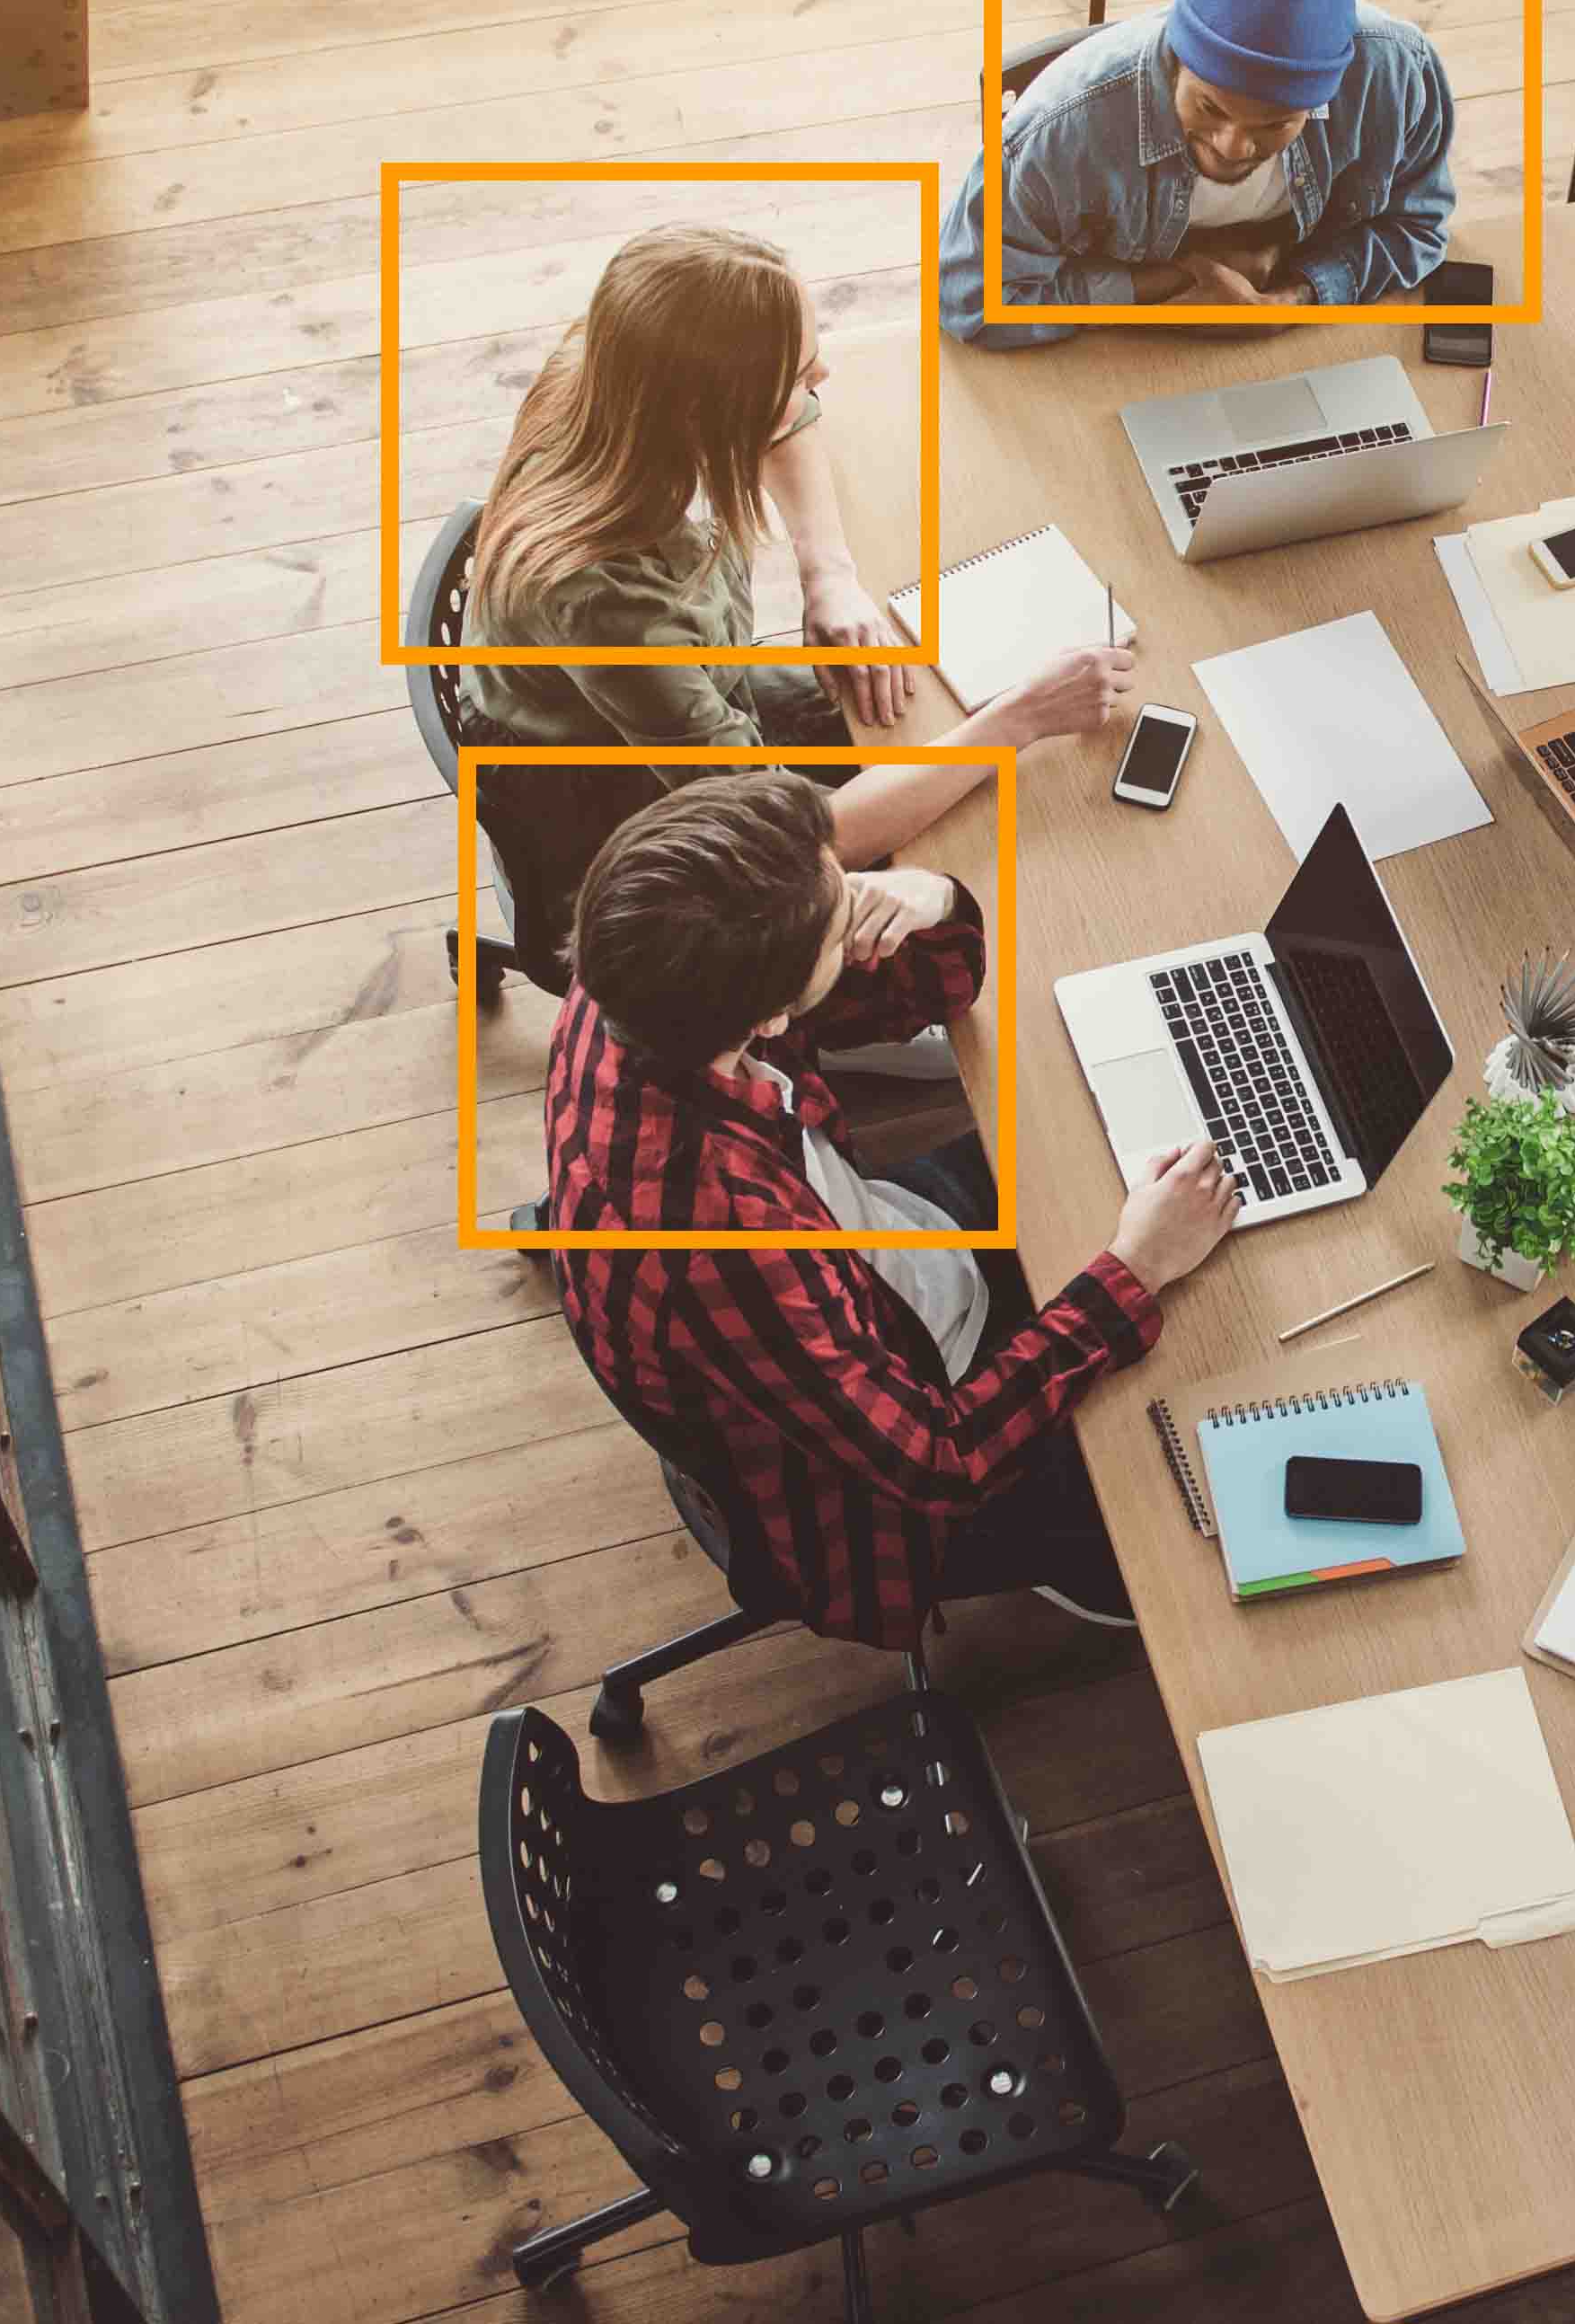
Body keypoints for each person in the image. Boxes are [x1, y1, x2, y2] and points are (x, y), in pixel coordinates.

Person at [541, 773, 1243, 1644]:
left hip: (881, 1256)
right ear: (764, 1015)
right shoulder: (716, 1234)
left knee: (1122, 1155)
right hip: (901, 1451)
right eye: (842, 921)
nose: (854, 892)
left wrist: (928, 895)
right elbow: (939, 1461)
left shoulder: (645, 976)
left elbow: (933, 988)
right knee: (1196, 1465)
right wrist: (1131, 1271)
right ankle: (1070, 1559)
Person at [456, 223, 1137, 976]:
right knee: (967, 841)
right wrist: (1024, 719)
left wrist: (829, 574)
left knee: (914, 712)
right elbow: (796, 843)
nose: (824, 379)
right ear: (710, 413)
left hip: (694, 697)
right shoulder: (612, 607)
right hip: (605, 792)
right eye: (799, 376)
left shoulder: (617, 373)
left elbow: (791, 427)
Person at [938, 0, 1456, 349]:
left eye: (1275, 125)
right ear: (1176, 58)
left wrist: (1289, 303)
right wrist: (1171, 284)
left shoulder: (1398, 75)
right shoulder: (1059, 134)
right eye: (1209, 107)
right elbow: (972, 299)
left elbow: (1420, 226)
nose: (1232, 147)